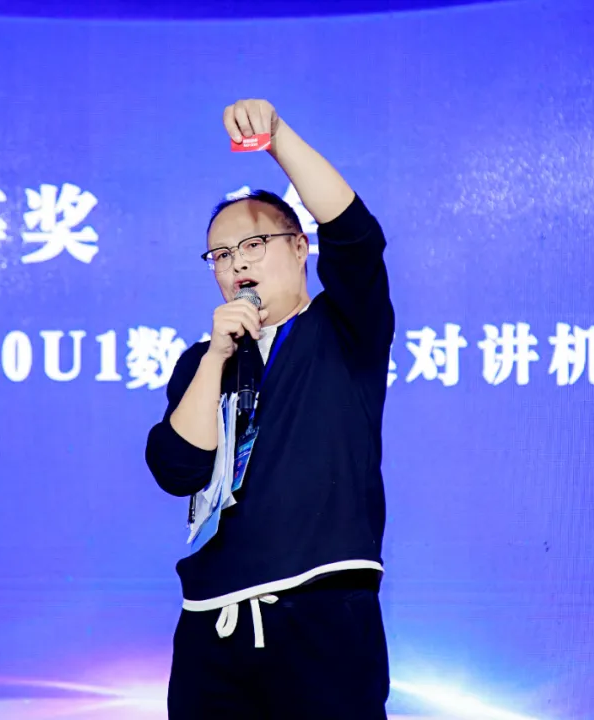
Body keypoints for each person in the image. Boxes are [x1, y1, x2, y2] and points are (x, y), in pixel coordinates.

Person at [145, 98, 394, 720]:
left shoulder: (342, 328)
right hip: (211, 624)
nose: (237, 262)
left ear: (300, 247)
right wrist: (216, 356)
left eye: (254, 243)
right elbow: (178, 468)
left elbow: (356, 235)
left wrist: (277, 136)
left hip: (321, 614)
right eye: (220, 255)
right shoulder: (204, 360)